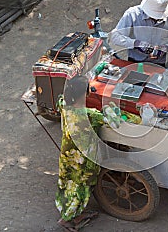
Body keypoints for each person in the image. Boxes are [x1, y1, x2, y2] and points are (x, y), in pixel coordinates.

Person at [55, 76, 104, 231]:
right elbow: (109, 119)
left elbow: (59, 100)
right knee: (80, 187)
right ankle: (67, 219)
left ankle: (70, 211)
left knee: (68, 182)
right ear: (86, 93)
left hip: (67, 155)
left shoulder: (64, 105)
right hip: (82, 161)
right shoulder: (89, 115)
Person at [110, 0, 168, 67]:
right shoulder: (132, 14)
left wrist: (167, 47)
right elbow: (115, 36)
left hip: (159, 64)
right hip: (135, 61)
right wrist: (135, 43)